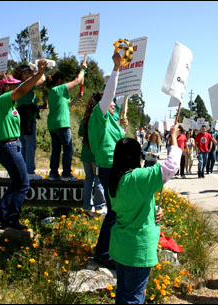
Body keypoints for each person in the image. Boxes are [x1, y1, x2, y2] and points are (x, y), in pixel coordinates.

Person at [108, 125, 180, 304]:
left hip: (121, 246)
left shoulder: (116, 179)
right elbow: (171, 166)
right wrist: (173, 138)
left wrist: (155, 210)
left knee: (123, 293)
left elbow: (132, 205)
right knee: (133, 298)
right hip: (137, 249)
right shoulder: (137, 178)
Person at [0, 59, 47, 230]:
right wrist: (39, 73)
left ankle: (0, 214)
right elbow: (23, 89)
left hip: (9, 146)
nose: (13, 87)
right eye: (11, 85)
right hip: (9, 146)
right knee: (23, 184)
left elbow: (24, 89)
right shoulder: (2, 100)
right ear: (4, 87)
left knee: (16, 183)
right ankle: (11, 219)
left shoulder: (7, 104)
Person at [88, 52, 128, 269]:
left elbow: (119, 98)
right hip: (109, 168)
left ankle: (108, 249)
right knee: (114, 211)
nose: (113, 104)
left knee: (117, 210)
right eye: (110, 103)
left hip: (116, 167)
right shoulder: (98, 115)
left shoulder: (110, 120)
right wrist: (116, 69)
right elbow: (111, 94)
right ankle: (103, 252)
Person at [45, 59, 87, 181]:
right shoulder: (59, 89)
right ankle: (66, 173)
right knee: (68, 149)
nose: (65, 83)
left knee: (56, 150)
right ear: (59, 81)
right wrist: (83, 69)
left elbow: (68, 105)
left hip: (53, 125)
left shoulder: (53, 93)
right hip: (62, 124)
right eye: (64, 81)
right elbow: (77, 81)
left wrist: (77, 97)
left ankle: (53, 173)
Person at [13, 65, 46, 180]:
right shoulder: (26, 85)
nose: (28, 75)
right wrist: (38, 71)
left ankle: (22, 171)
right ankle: (29, 171)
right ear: (20, 76)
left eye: (29, 73)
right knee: (30, 144)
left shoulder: (20, 86)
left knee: (23, 144)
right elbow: (42, 79)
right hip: (27, 116)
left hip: (22, 114)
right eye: (25, 73)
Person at [79, 91, 107, 214]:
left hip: (85, 153)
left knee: (89, 179)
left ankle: (87, 205)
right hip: (96, 155)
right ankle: (100, 205)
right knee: (98, 179)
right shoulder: (99, 118)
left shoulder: (85, 117)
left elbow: (80, 132)